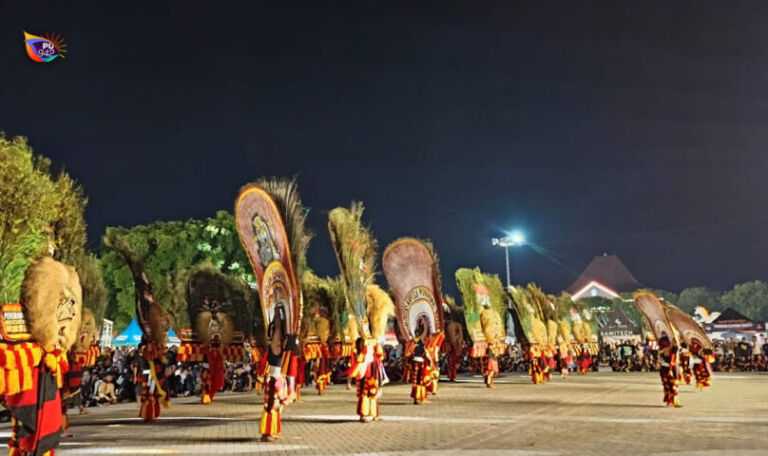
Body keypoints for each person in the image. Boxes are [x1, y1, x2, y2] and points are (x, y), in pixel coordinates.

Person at [658, 335, 682, 407]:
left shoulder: (673, 349)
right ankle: (670, 401)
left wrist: (675, 343)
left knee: (674, 386)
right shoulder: (662, 350)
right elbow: (666, 351)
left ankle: (674, 401)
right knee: (668, 386)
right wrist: (672, 344)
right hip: (665, 370)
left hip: (672, 370)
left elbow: (675, 349)